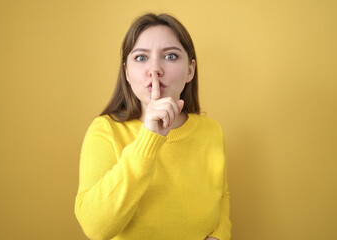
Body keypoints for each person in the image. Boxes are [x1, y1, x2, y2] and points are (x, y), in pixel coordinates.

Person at [75, 13, 231, 240]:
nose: (155, 69)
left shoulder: (211, 131)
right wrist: (149, 137)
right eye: (140, 58)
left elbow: (222, 196)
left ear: (190, 70)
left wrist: (220, 234)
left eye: (170, 56)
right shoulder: (105, 131)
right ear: (127, 71)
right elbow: (95, 227)